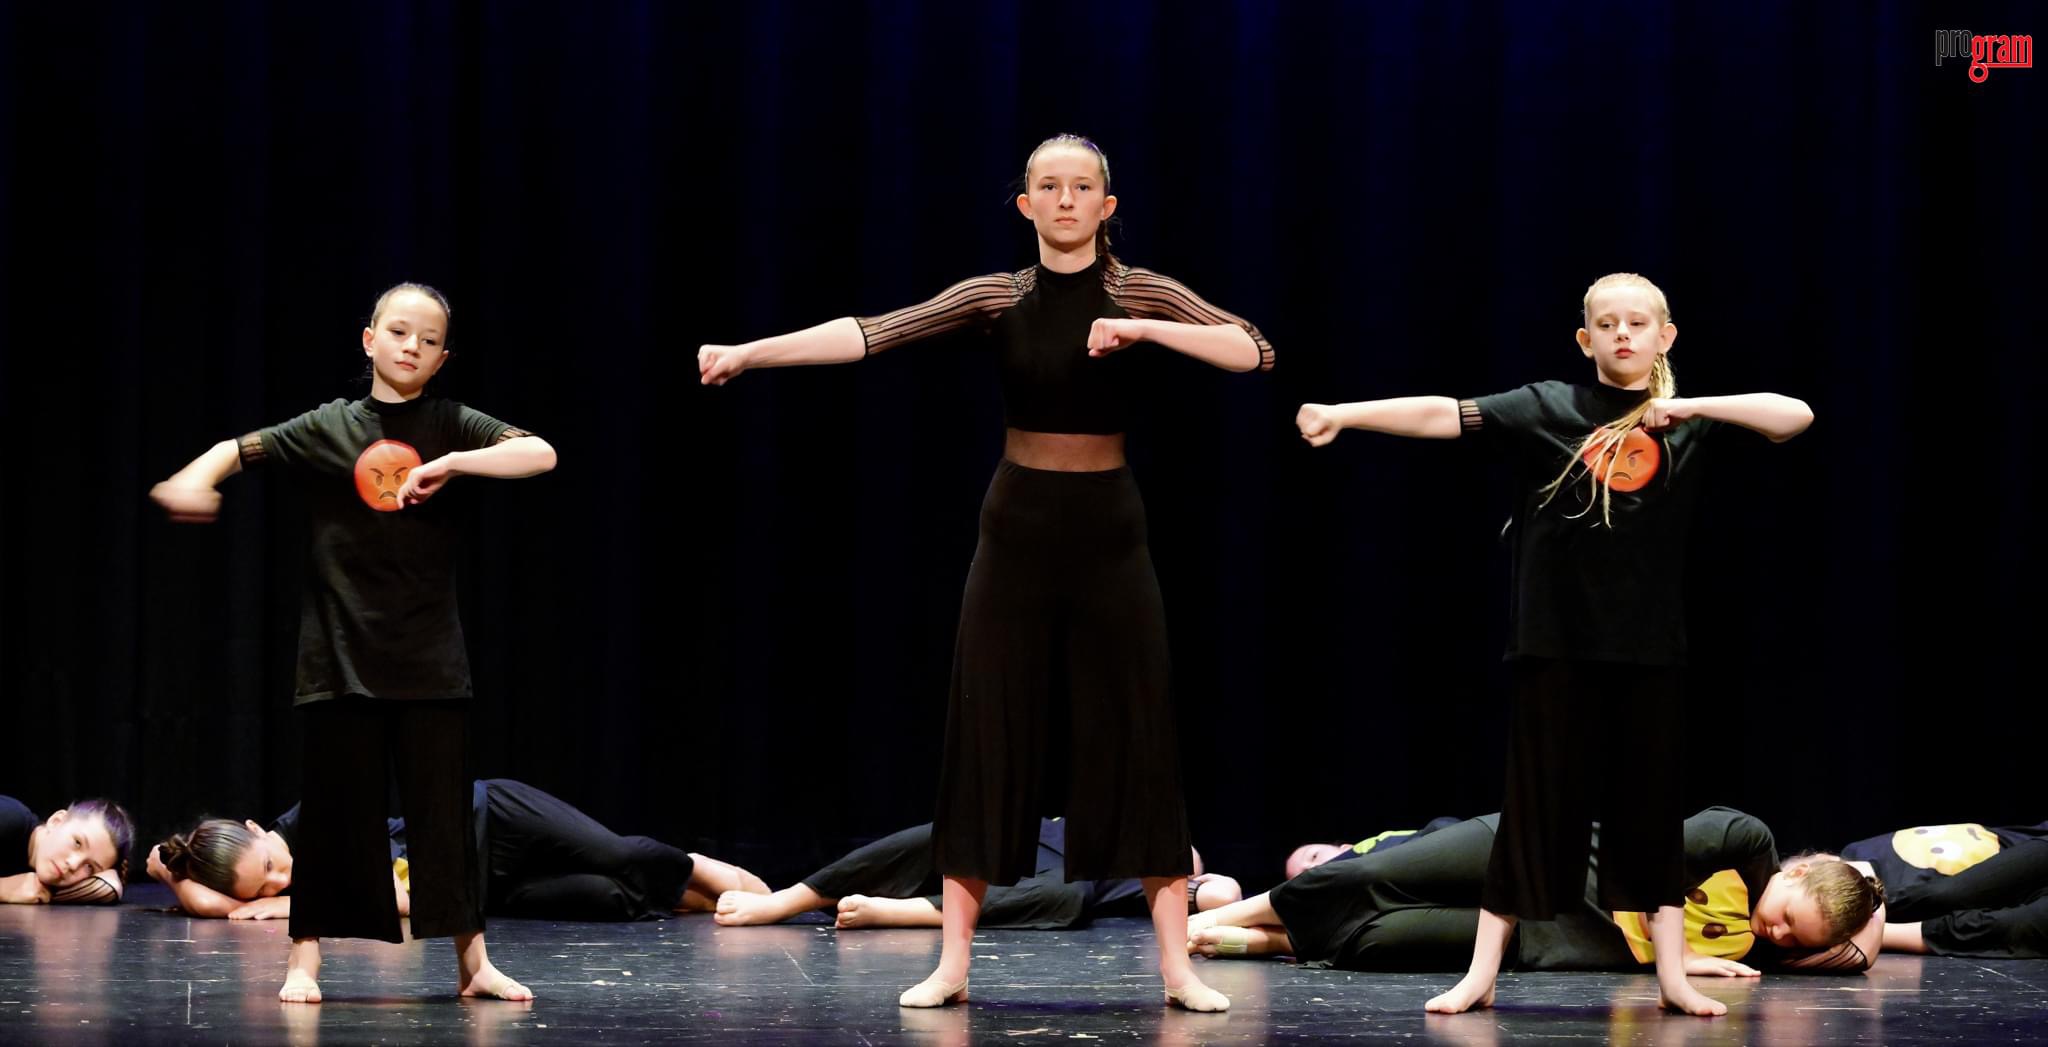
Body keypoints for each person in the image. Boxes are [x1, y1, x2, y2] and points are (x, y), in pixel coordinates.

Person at [698, 134, 1272, 1012]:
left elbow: (1252, 350)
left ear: (1107, 205)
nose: (1067, 199)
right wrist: (751, 351)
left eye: (1083, 187)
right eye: (1050, 186)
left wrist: (1144, 328)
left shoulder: (1139, 290)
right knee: (985, 732)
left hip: (1110, 533)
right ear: (1027, 204)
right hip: (1016, 531)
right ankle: (953, 961)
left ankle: (1176, 968)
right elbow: (871, 333)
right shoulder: (997, 296)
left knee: (1139, 734)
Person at [1297, 272, 1814, 1015]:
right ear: (1585, 339)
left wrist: (1691, 406)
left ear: (1665, 336)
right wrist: (1344, 413)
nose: (1623, 334)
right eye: (1607, 324)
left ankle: (1673, 977)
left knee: (1651, 816)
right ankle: (1480, 973)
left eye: (1638, 323)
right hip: (1555, 648)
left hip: (1649, 654)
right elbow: (1445, 414)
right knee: (1533, 810)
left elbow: (1794, 416)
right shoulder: (1549, 406)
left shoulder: (1685, 423)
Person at [150, 282, 557, 1003]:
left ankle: (473, 965)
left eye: (429, 340)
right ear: (369, 339)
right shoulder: (330, 425)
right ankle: (303, 963)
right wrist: (194, 477)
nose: (412, 347)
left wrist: (453, 462)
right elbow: (236, 449)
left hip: (430, 658)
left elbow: (540, 453)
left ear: (443, 358)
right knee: (333, 818)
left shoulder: (452, 423)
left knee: (443, 823)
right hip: (339, 656)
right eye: (399, 332)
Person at [1187, 808, 1884, 980]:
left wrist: (1857, 914)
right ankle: (1225, 918)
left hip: (1555, 933)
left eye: (1797, 939)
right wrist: (1678, 957)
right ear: (1797, 872)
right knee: (1373, 876)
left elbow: (1861, 949)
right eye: (1787, 918)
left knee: (1383, 939)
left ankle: (1261, 942)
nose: (1778, 935)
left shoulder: (1762, 952)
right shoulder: (1746, 841)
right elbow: (1650, 865)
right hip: (1543, 852)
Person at [148, 778, 769, 922]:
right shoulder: (280, 886)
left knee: (614, 855)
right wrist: (175, 875)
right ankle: (701, 904)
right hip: (482, 886)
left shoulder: (318, 818)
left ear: (258, 829)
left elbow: (396, 896)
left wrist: (288, 906)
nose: (280, 882)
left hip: (489, 820)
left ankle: (709, 871)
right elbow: (205, 900)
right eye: (265, 888)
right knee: (603, 897)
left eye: (271, 866)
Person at [713, 817, 1241, 929]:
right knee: (947, 832)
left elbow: (1224, 897)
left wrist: (1199, 883)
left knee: (1068, 899)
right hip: (1027, 839)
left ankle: (903, 913)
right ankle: (792, 898)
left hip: (1068, 880)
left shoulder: (1161, 886)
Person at [0, 796, 133, 905]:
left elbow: (112, 886)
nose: (73, 864)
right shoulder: (10, 817)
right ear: (56, 821)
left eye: (89, 867)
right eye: (77, 843)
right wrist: (4, 889)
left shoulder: (47, 882)